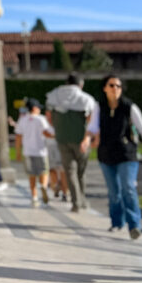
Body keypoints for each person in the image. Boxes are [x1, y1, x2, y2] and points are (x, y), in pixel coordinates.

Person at [89, 75, 142, 239]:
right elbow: (92, 128)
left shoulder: (129, 107)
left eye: (118, 86)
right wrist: (87, 140)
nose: (115, 88)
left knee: (128, 187)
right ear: (105, 88)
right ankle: (117, 222)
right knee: (114, 192)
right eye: (112, 85)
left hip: (126, 154)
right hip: (106, 154)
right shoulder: (99, 107)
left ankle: (134, 225)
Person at [46, 72, 96, 212]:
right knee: (81, 171)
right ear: (80, 84)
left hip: (62, 138)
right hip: (81, 140)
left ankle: (76, 202)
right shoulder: (85, 98)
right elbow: (91, 120)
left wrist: (57, 127)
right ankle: (82, 199)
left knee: (70, 171)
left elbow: (48, 116)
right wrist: (90, 137)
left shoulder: (54, 95)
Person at [14, 99, 54, 205]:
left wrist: (18, 152)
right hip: (41, 151)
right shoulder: (41, 119)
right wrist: (55, 136)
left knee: (31, 175)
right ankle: (43, 186)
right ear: (34, 108)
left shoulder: (22, 120)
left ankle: (34, 196)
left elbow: (18, 136)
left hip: (27, 152)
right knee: (44, 172)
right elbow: (46, 132)